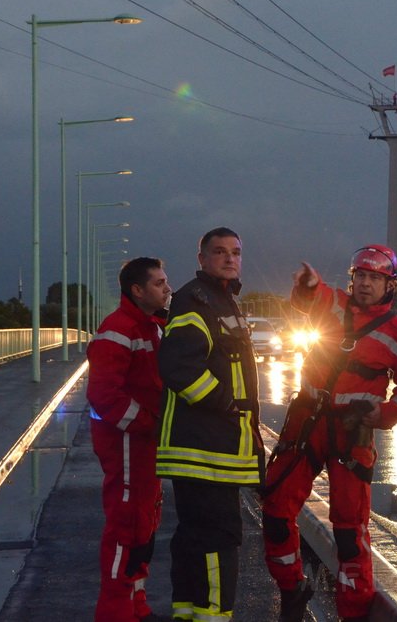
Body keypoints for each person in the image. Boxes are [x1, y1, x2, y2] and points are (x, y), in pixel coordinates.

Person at [262, 244, 397, 622]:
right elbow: (309, 298)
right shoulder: (333, 303)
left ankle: (353, 613)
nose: (366, 284)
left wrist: (382, 415)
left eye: (375, 279)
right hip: (308, 422)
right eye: (361, 276)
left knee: (350, 534)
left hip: (353, 433)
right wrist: (307, 284)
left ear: (390, 286)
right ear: (351, 279)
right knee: (275, 507)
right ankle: (291, 587)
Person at [157, 228, 263, 622]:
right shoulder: (195, 300)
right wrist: (226, 405)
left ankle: (187, 613)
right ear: (201, 258)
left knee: (194, 538)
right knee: (219, 539)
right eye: (219, 252)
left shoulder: (223, 301)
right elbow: (179, 366)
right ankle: (214, 617)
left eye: (236, 252)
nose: (229, 258)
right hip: (206, 448)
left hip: (208, 447)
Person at [86, 256, 172, 622]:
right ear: (137, 290)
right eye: (159, 284)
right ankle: (116, 613)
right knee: (126, 529)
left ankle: (136, 606)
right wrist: (149, 424)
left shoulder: (150, 326)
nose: (167, 289)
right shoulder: (119, 329)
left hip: (143, 446)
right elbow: (104, 395)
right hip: (126, 445)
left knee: (145, 527)